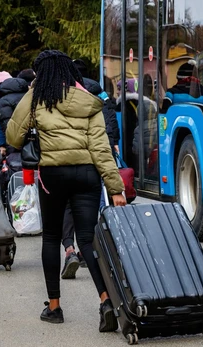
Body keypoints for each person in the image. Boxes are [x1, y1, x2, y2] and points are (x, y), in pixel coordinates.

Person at [6, 50, 126, 330]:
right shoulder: (88, 101)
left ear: (41, 75)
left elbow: (13, 136)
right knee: (88, 240)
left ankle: (54, 307)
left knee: (50, 237)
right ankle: (106, 300)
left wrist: (32, 93)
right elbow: (100, 147)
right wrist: (115, 186)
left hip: (54, 174)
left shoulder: (37, 100)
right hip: (87, 174)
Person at [60, 59, 122, 280]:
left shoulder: (63, 92)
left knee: (67, 206)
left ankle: (69, 249)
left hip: (66, 160)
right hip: (93, 157)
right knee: (89, 204)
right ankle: (89, 251)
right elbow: (109, 119)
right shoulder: (98, 92)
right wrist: (113, 140)